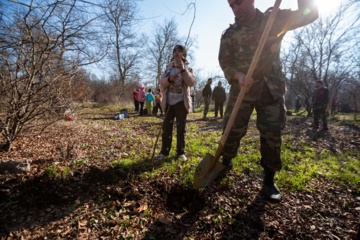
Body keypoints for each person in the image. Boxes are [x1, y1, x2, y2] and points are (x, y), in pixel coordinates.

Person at [218, 0, 318, 202]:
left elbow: (310, 14)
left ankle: (269, 180)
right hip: (242, 91)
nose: (236, 9)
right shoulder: (229, 34)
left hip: (270, 89)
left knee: (272, 133)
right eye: (231, 6)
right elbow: (225, 63)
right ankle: (225, 162)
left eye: (239, 2)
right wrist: (238, 75)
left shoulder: (274, 19)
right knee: (232, 130)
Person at [157, 44, 196, 161]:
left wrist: (183, 70)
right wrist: (169, 79)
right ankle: (164, 152)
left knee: (181, 128)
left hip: (181, 102)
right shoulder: (168, 68)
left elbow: (191, 82)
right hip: (169, 102)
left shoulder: (189, 69)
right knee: (167, 128)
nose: (176, 53)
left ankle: (180, 153)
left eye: (179, 51)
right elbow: (162, 83)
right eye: (175, 51)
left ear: (183, 54)